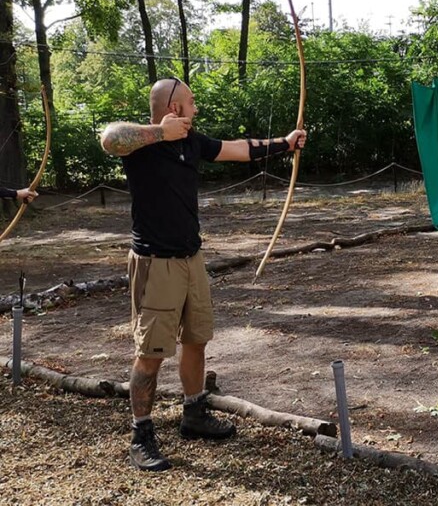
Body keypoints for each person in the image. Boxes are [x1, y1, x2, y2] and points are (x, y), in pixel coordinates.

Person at [99, 77, 307, 472]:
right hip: (155, 263)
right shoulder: (142, 145)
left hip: (191, 259)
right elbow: (110, 138)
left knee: (196, 340)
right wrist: (160, 132)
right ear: (173, 108)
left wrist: (285, 142)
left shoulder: (192, 142)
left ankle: (193, 413)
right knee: (150, 354)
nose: (195, 109)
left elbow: (237, 149)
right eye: (191, 102)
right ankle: (141, 435)